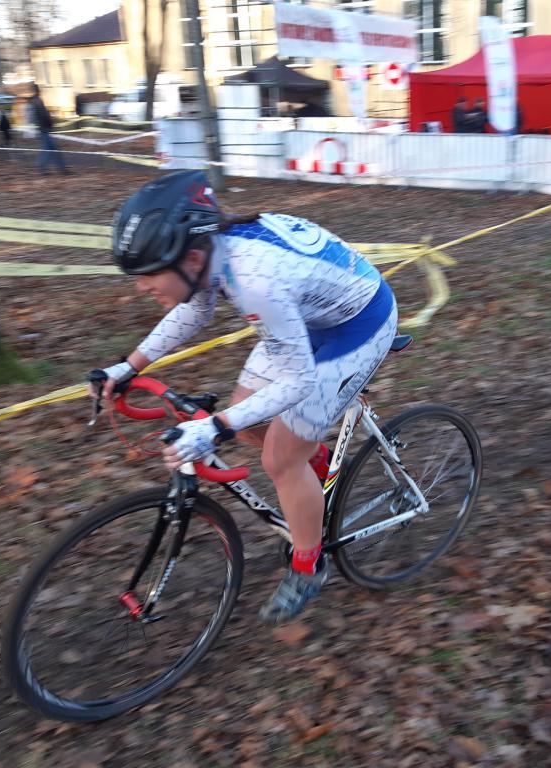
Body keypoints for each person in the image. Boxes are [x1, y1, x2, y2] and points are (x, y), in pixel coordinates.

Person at [90, 171, 398, 624]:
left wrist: (215, 427)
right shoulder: (212, 254)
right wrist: (128, 366)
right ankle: (318, 469)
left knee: (280, 457)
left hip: (357, 325)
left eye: (149, 274)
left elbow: (297, 381)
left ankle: (309, 566)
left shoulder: (254, 280)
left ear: (191, 258)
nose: (141, 286)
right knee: (251, 419)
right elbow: (196, 309)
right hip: (304, 316)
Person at [28, 86, 69, 175]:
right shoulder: (37, 101)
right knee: (49, 151)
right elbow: (44, 115)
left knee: (51, 150)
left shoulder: (33, 102)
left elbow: (37, 117)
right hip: (44, 129)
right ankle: (55, 169)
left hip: (42, 129)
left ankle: (60, 169)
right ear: (38, 91)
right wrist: (50, 124)